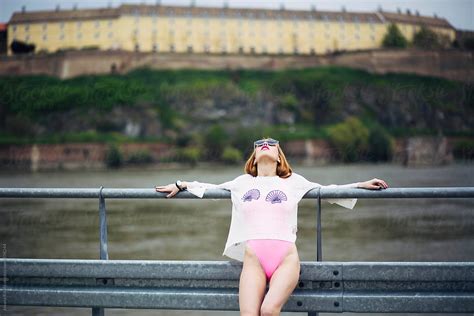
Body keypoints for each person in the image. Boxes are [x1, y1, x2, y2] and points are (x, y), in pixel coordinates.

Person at [155, 137, 388, 316]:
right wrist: (180, 183)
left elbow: (329, 190)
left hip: (285, 259)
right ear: (254, 157)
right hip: (253, 260)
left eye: (271, 143)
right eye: (260, 144)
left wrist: (361, 184)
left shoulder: (294, 181)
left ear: (279, 157)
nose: (265, 144)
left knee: (268, 311)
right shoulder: (241, 183)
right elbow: (208, 187)